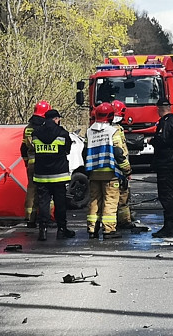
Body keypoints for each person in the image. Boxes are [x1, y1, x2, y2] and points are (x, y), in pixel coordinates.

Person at [85, 102, 132, 239]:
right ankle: (109, 230)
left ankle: (92, 229)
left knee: (94, 201)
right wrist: (127, 170)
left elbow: (85, 152)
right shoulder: (113, 131)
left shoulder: (89, 131)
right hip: (111, 174)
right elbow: (118, 152)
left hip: (94, 173)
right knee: (110, 201)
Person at [32, 109, 75, 241]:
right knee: (60, 203)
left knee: (43, 203)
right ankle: (61, 229)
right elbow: (67, 150)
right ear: (56, 119)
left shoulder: (36, 133)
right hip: (59, 174)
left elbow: (33, 149)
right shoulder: (62, 133)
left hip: (41, 174)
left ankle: (42, 230)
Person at [150, 98, 173, 238]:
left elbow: (163, 141)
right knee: (169, 194)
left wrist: (153, 141)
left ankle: (169, 228)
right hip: (171, 161)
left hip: (166, 162)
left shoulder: (166, 123)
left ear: (160, 108)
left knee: (166, 195)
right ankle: (168, 226)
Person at [21, 100, 51, 228]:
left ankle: (30, 218)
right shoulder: (46, 126)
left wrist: (26, 161)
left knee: (32, 190)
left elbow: (23, 148)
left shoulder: (28, 128)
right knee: (47, 190)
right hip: (44, 163)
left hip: (32, 163)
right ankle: (47, 218)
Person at [112, 100, 136, 230]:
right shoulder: (116, 130)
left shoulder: (108, 128)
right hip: (118, 168)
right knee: (123, 196)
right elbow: (119, 150)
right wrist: (127, 169)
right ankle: (124, 220)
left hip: (112, 168)